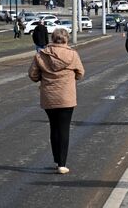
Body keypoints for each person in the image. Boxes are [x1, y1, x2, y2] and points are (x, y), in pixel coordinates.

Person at [28, 28, 85, 174]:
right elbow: (80, 73)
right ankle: (62, 164)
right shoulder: (72, 55)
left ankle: (56, 159)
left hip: (49, 96)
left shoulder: (41, 55)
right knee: (64, 129)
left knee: (54, 128)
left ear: (52, 39)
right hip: (67, 97)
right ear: (66, 39)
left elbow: (33, 75)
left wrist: (43, 77)